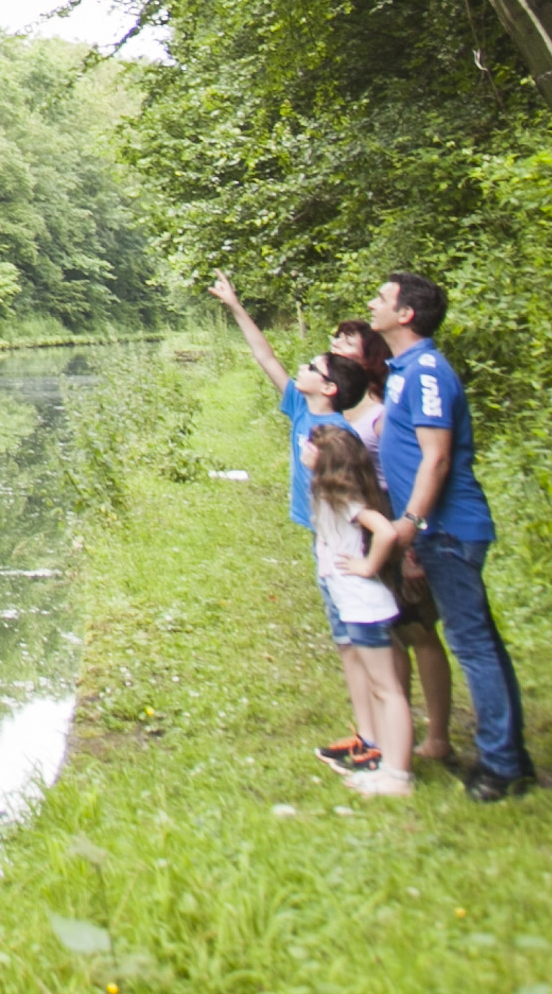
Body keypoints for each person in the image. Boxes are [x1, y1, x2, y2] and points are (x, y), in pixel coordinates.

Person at [205, 276, 405, 770]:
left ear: (330, 388)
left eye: (312, 367)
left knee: (362, 643)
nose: (302, 367)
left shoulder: (336, 436)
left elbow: (361, 505)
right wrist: (235, 306)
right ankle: (363, 736)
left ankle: (379, 743)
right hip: (323, 543)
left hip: (345, 548)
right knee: (345, 644)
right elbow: (266, 358)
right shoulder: (301, 410)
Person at [370, 268, 535, 800]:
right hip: (435, 530)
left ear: (406, 314)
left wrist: (411, 525)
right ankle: (510, 755)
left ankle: (501, 767)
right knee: (480, 640)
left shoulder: (425, 373)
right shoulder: (402, 370)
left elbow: (436, 459)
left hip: (447, 529)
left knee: (472, 645)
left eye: (382, 298)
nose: (373, 304)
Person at [303, 421, 417, 798]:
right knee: (383, 688)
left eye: (311, 446)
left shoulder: (345, 499)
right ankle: (388, 766)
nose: (304, 447)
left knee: (388, 690)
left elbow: (385, 532)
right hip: (355, 603)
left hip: (363, 603)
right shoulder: (329, 492)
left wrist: (368, 566)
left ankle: (398, 775)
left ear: (327, 461)